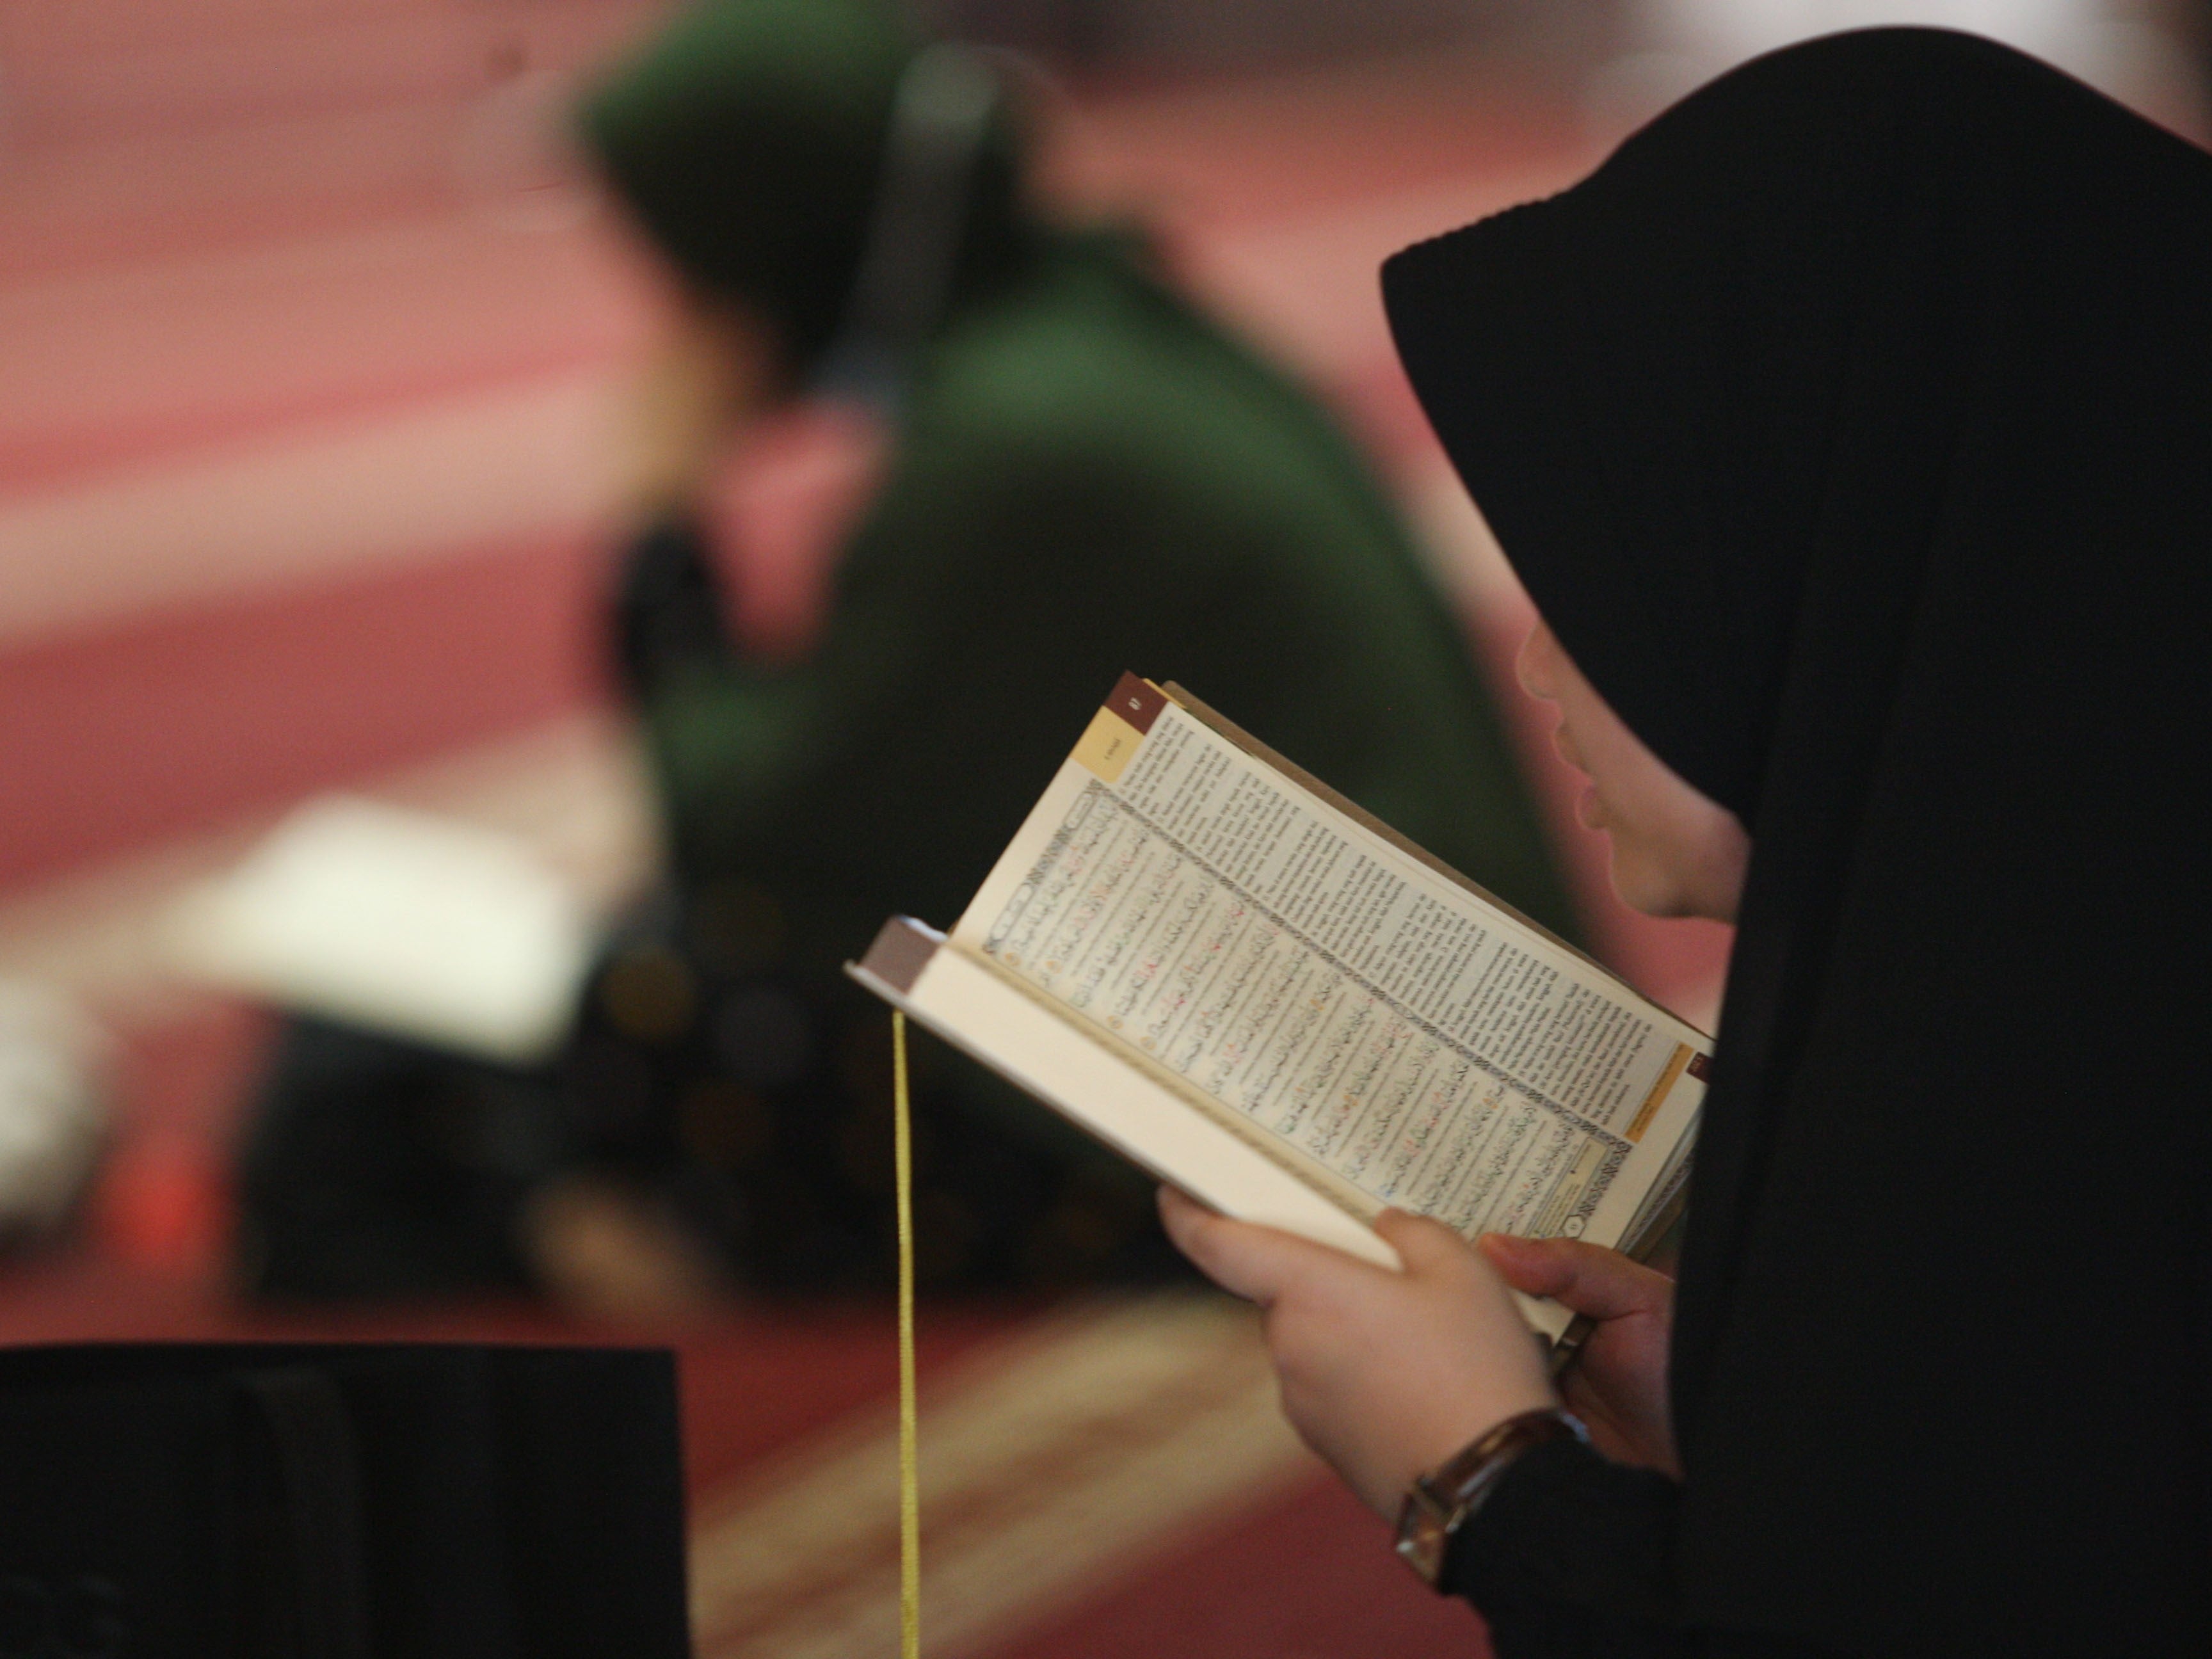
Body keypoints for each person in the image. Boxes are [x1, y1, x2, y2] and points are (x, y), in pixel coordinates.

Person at [1161, 28, 2212, 1655]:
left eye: (1609, 572)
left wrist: (1489, 1481)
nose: (1537, 659)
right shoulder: (2080, 971)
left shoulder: (2037, 1101)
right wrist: (1764, 1416)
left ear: (1820, 558)